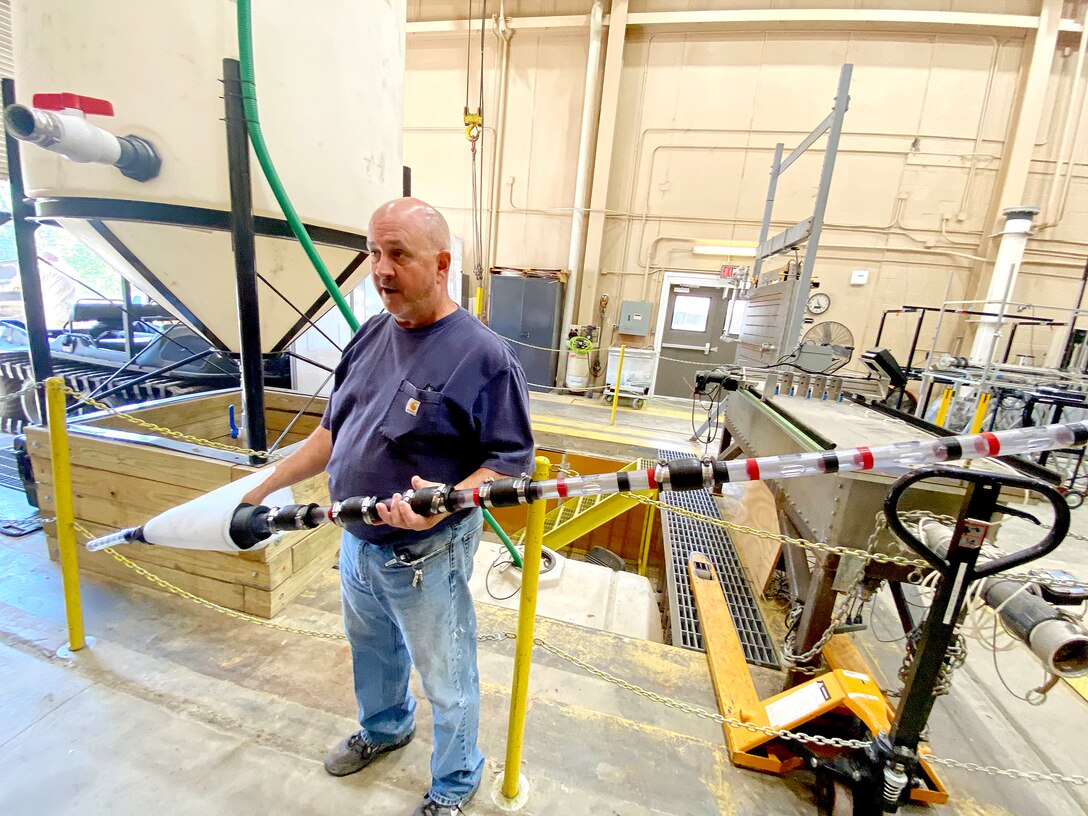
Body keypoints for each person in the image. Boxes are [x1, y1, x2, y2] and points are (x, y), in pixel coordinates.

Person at [241, 197, 535, 816]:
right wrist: (263, 486)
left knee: (446, 674)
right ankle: (384, 728)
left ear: (441, 263)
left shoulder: (483, 357)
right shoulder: (372, 333)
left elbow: (509, 463)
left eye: (399, 254)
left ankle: (455, 782)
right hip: (356, 540)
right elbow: (331, 434)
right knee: (372, 650)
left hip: (427, 552)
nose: (382, 269)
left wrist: (442, 507)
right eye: (376, 253)